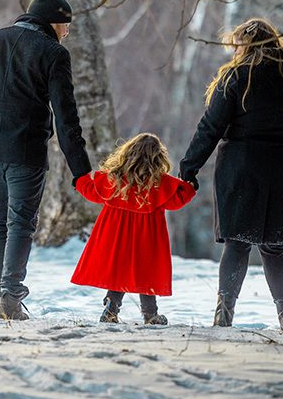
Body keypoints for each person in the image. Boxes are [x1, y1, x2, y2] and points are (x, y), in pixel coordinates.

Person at [0, 0, 92, 321]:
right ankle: (11, 297)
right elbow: (66, 114)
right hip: (25, 152)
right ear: (52, 22)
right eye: (66, 24)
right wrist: (81, 170)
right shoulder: (53, 53)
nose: (68, 31)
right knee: (20, 224)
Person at [179, 18, 283, 331]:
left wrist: (188, 168)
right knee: (275, 248)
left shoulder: (236, 76)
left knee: (237, 243)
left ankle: (224, 314)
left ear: (245, 45)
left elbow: (211, 126)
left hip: (240, 167)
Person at [71, 133, 195, 324]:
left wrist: (79, 181)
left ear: (127, 153)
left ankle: (111, 309)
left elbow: (91, 190)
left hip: (116, 234)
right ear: (158, 158)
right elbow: (179, 198)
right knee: (146, 272)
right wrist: (191, 185)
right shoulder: (160, 184)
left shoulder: (112, 180)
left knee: (119, 271)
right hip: (147, 237)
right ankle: (150, 314)